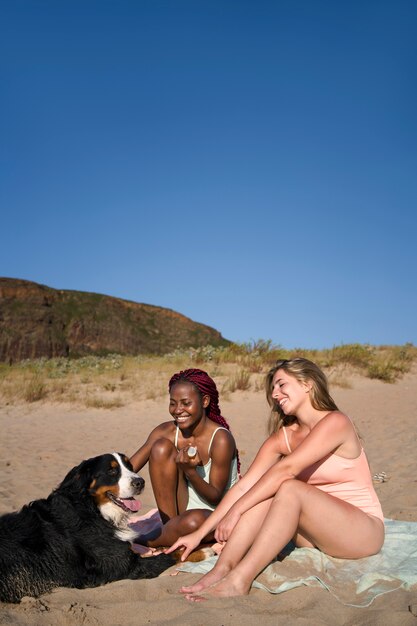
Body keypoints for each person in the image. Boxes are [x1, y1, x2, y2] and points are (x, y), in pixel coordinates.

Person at [167, 357, 384, 600]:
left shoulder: (336, 422)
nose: (275, 393)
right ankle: (222, 569)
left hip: (361, 532)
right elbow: (244, 487)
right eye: (272, 389)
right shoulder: (284, 437)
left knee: (287, 487)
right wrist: (200, 533)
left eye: (281, 385)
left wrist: (236, 512)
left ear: (307, 384)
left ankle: (240, 580)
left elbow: (287, 470)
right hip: (314, 536)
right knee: (264, 492)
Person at [130, 368, 239, 547]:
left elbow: (215, 497)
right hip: (182, 510)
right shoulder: (166, 431)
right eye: (173, 403)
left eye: (186, 403)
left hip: (215, 513)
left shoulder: (220, 439)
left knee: (194, 522)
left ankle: (145, 540)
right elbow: (128, 469)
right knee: (160, 448)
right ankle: (169, 528)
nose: (178, 410)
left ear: (204, 401)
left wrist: (190, 471)